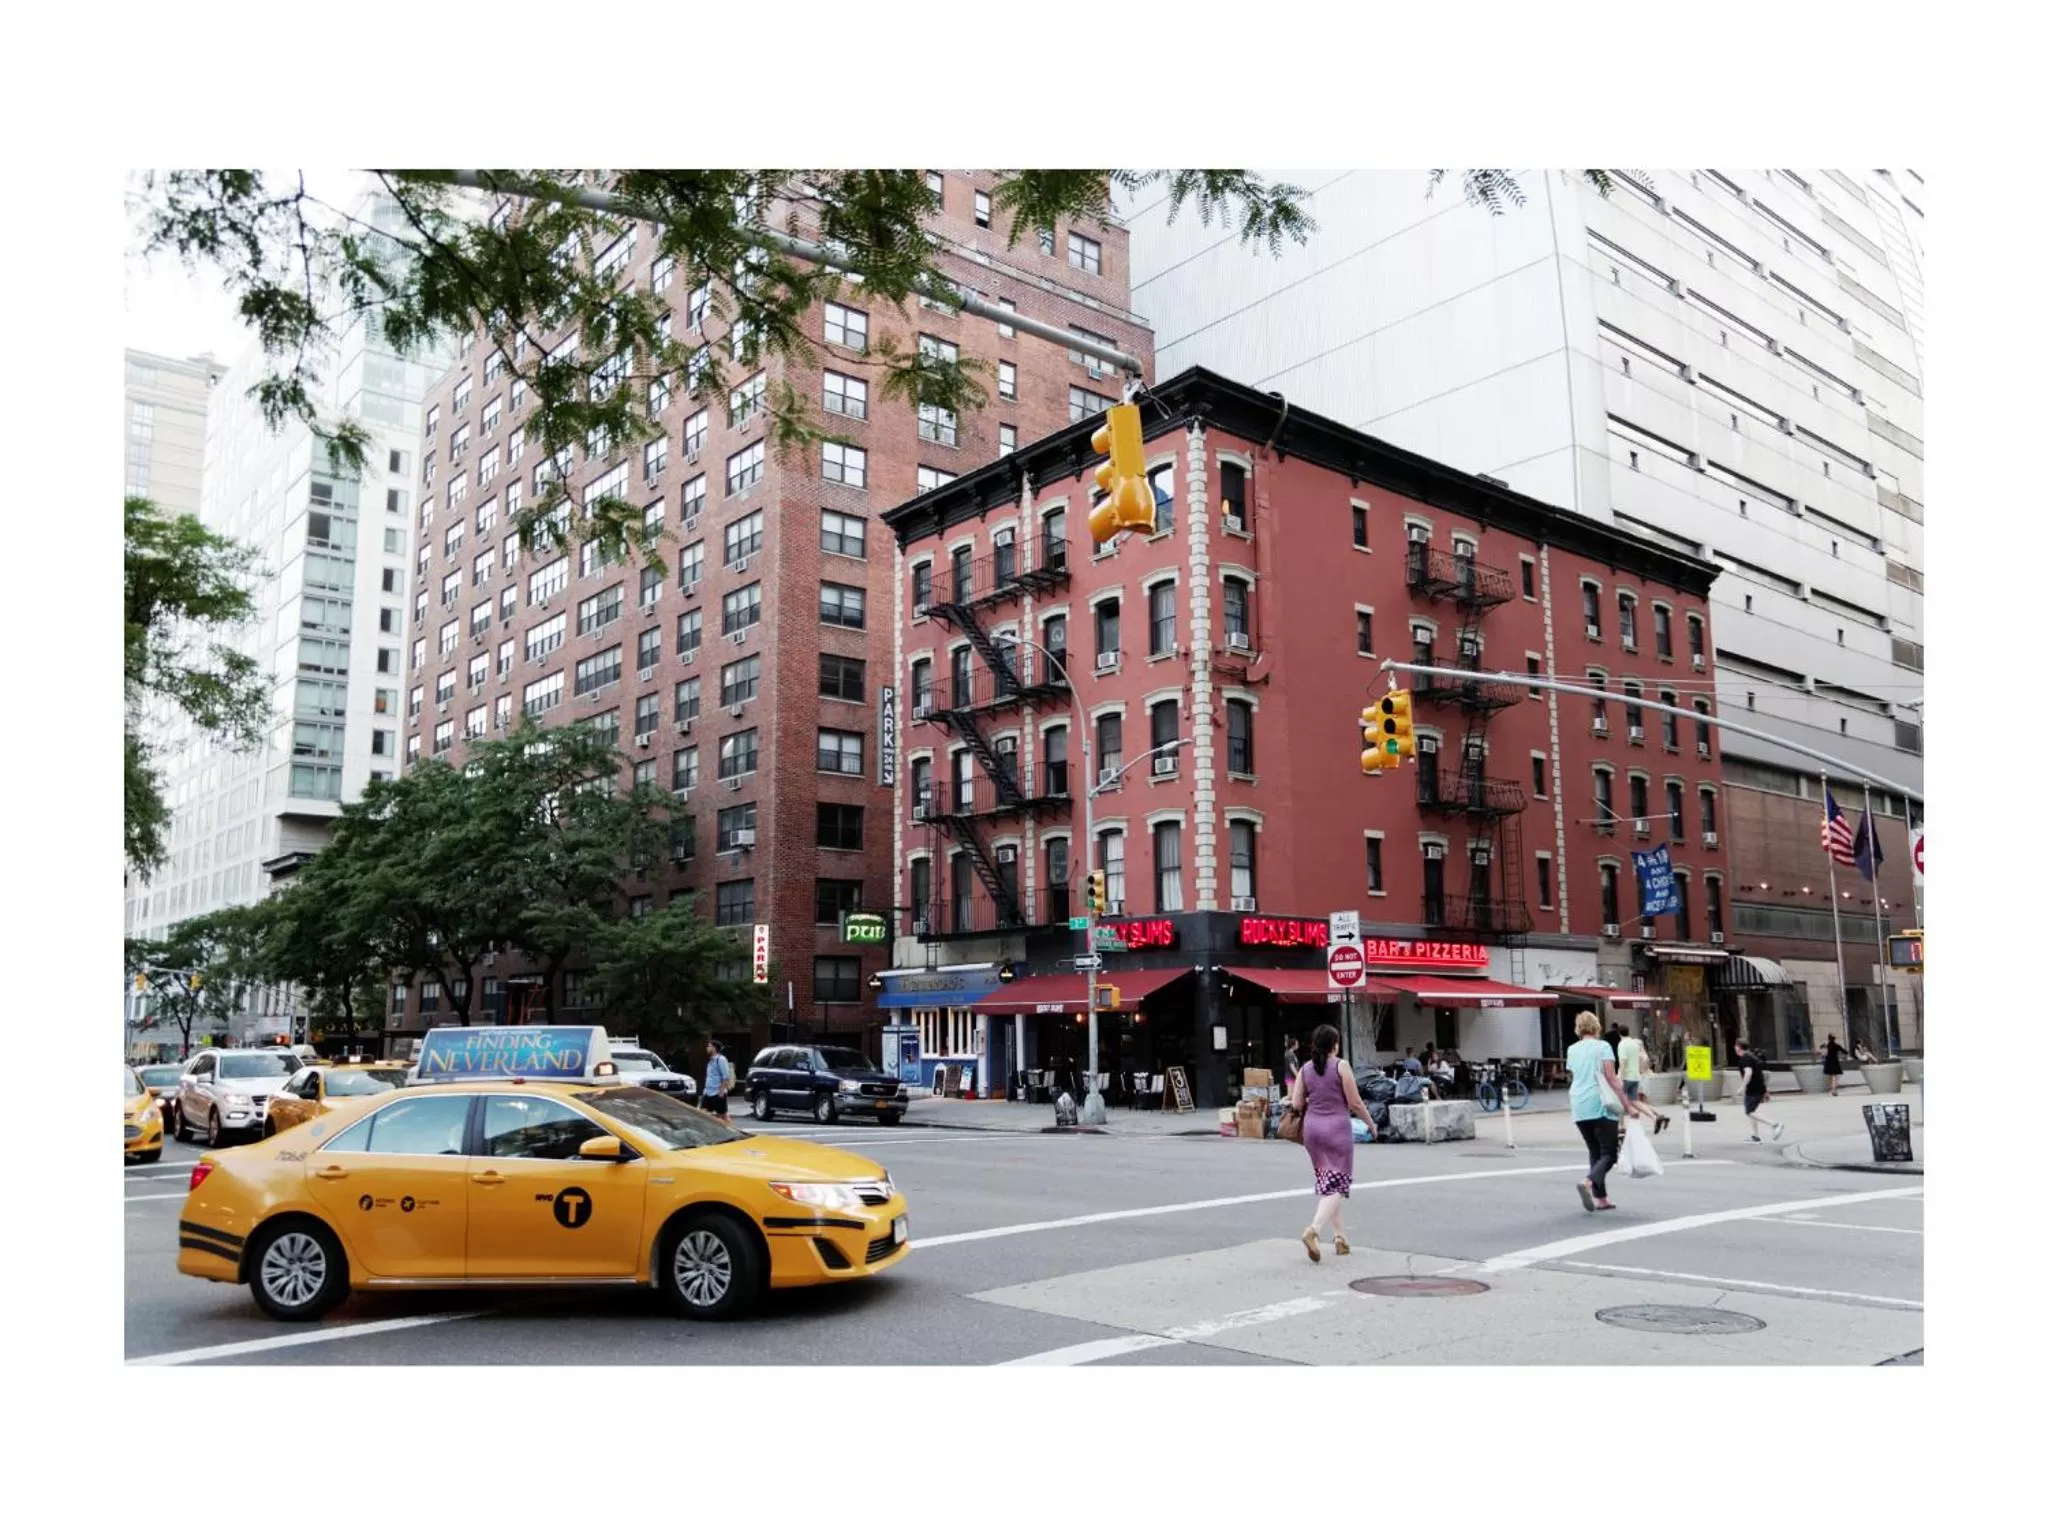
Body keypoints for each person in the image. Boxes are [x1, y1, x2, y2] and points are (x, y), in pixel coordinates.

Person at [1291, 1024, 1372, 1262]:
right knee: (1338, 1184)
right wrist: (1371, 1123)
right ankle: (1313, 1230)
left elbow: (1296, 1104)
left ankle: (1340, 1238)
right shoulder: (1340, 1066)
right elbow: (1355, 1102)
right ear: (1334, 1044)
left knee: (1328, 1181)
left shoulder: (1305, 1069)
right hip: (1337, 1129)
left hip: (1312, 1131)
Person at [1567, 1011, 1649, 1212]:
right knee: (1610, 1154)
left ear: (1578, 1029)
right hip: (1600, 1102)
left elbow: (1575, 1073)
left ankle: (1601, 1198)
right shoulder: (1603, 1047)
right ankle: (1588, 1181)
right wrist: (1628, 1106)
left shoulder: (1572, 1049)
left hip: (1578, 1102)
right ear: (1596, 1027)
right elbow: (1611, 1078)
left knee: (1595, 1151)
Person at [1614, 1023, 1670, 1134]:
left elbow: (1623, 1062)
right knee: (1634, 1101)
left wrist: (1620, 1076)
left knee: (1620, 1101)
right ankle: (1656, 1117)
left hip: (1626, 1077)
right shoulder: (1635, 1045)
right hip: (1635, 1077)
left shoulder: (1622, 1044)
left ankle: (1622, 1125)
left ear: (1619, 1034)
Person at [1736, 1039, 1782, 1142]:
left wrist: (1742, 1087)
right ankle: (1755, 1136)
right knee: (1751, 1111)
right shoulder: (1751, 1056)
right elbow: (1759, 1074)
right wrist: (1765, 1090)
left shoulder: (1745, 1058)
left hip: (1753, 1088)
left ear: (1739, 1047)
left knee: (1750, 1112)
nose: (1735, 1048)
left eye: (1735, 1046)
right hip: (1757, 1088)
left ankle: (1775, 1124)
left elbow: (1748, 1073)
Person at [701, 1039, 734, 1124]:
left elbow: (725, 1077)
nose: (707, 1048)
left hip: (717, 1092)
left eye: (709, 1046)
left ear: (714, 1048)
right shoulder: (711, 1060)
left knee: (723, 1115)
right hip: (708, 1092)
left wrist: (721, 1091)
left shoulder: (721, 1059)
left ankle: (732, 1131)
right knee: (702, 1113)